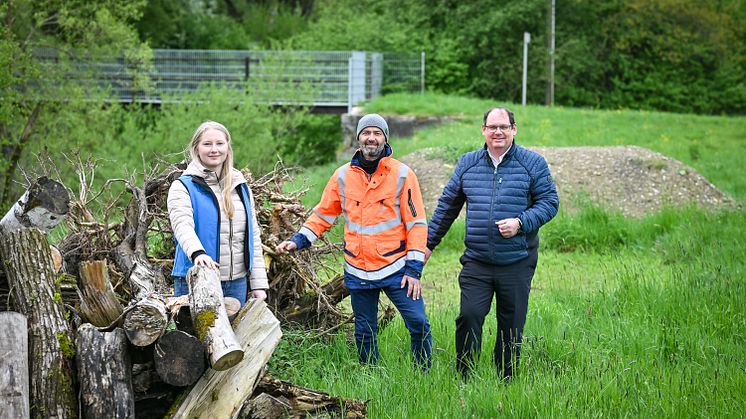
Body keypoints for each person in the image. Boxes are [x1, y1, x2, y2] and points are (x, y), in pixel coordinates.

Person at [276, 114, 432, 369]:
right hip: (358, 269)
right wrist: (299, 240)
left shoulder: (403, 175)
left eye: (377, 133)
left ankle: (423, 373)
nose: (371, 138)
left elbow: (416, 224)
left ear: (385, 138)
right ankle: (370, 375)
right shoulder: (341, 176)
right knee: (364, 329)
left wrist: (414, 270)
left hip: (397, 269)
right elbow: (323, 214)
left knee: (418, 322)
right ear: (358, 138)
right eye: (366, 133)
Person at [425, 107, 559, 380]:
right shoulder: (468, 163)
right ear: (483, 130)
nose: (498, 131)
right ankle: (465, 377)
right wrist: (427, 245)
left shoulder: (533, 163)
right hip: (477, 261)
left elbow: (549, 203)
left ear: (514, 129)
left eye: (503, 126)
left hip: (517, 261)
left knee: (511, 326)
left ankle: (506, 380)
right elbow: (446, 208)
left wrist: (521, 223)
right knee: (469, 316)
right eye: (492, 127)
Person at [168, 121, 268, 307]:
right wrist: (198, 254)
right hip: (196, 279)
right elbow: (182, 226)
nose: (214, 149)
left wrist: (258, 284)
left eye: (219, 143)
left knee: (234, 336)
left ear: (228, 148)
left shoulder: (240, 185)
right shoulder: (183, 186)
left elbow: (252, 235)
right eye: (207, 144)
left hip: (236, 282)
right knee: (191, 336)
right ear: (196, 148)